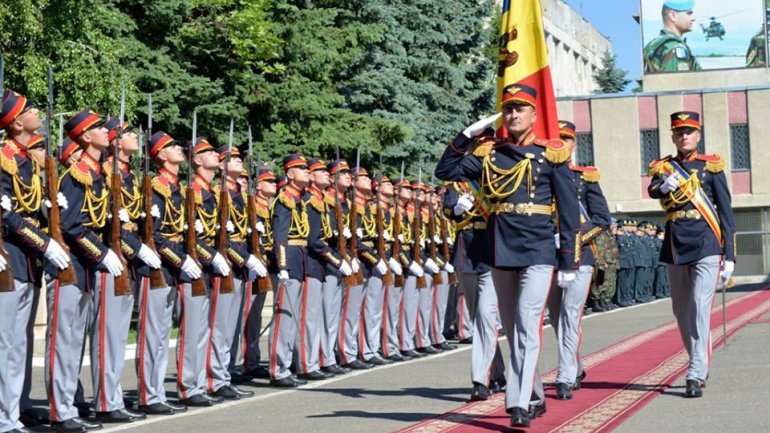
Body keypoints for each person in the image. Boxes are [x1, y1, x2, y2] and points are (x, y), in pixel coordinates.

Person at [435, 83, 581, 428]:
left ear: (534, 115)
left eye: (520, 109)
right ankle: (535, 393)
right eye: (509, 109)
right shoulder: (490, 154)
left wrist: (568, 261)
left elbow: (569, 212)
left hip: (538, 248)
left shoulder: (551, 154)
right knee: (514, 327)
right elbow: (445, 171)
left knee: (528, 324)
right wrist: (467, 135)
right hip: (501, 249)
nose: (514, 115)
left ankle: (518, 402)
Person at [648, 111, 736, 398]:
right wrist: (663, 186)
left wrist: (730, 255)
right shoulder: (664, 167)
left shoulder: (711, 166)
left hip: (706, 242)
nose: (684, 136)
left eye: (689, 131)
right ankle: (699, 359)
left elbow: (725, 213)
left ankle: (696, 371)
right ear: (673, 136)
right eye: (679, 132)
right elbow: (652, 191)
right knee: (681, 311)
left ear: (698, 135)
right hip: (676, 243)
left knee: (699, 307)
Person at [0, 90, 71, 433]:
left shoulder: (27, 161)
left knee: (21, 341)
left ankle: (17, 408)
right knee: (6, 342)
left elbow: (27, 208)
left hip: (28, 261)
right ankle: (4, 416)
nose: (36, 112)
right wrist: (44, 243)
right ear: (15, 124)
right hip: (10, 258)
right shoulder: (3, 159)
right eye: (29, 110)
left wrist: (47, 209)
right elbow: (7, 216)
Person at [544, 120, 611, 400]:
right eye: (556, 137)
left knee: (571, 316)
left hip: (579, 255)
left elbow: (602, 219)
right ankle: (576, 365)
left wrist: (575, 239)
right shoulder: (540, 174)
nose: (561, 142)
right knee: (558, 318)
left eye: (566, 138)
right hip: (547, 253)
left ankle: (565, 375)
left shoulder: (585, 177)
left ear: (573, 144)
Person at [135, 131, 192, 415]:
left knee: (161, 335)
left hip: (172, 266)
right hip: (157, 265)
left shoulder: (177, 188)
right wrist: (179, 260)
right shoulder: (156, 186)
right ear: (160, 155)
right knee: (153, 334)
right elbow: (154, 236)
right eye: (171, 146)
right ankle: (149, 395)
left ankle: (156, 392)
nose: (178, 148)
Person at [444, 176, 506, 402]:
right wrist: (457, 208)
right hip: (466, 251)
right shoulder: (457, 183)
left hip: (491, 249)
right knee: (477, 317)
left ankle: (481, 379)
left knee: (485, 316)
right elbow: (448, 210)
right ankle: (498, 372)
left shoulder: (497, 178)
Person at [268, 153, 311, 387]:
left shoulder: (299, 200)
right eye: (301, 168)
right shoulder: (284, 200)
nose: (307, 171)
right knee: (284, 316)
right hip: (289, 259)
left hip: (300, 257)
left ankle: (287, 365)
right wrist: (282, 265)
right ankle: (278, 368)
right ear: (290, 174)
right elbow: (280, 237)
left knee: (293, 317)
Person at [643, 0, 701, 73]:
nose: (693, 18)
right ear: (673, 16)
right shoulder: (676, 48)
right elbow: (678, 82)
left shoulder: (654, 45)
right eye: (689, 13)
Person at [590, 219, 619, 312]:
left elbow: (614, 251)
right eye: (614, 225)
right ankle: (596, 303)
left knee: (609, 283)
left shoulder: (610, 235)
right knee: (599, 284)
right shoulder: (601, 235)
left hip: (611, 262)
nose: (615, 228)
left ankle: (606, 300)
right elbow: (599, 250)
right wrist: (602, 263)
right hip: (603, 263)